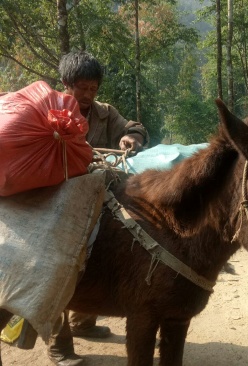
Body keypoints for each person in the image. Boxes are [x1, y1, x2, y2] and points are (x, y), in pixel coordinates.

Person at [47, 51, 149, 366]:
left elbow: (134, 127)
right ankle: (58, 344)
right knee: (62, 262)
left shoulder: (105, 113)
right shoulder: (47, 109)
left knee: (101, 254)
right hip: (55, 200)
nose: (88, 95)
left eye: (93, 88)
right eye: (82, 88)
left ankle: (84, 322)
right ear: (66, 84)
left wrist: (131, 137)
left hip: (97, 197)